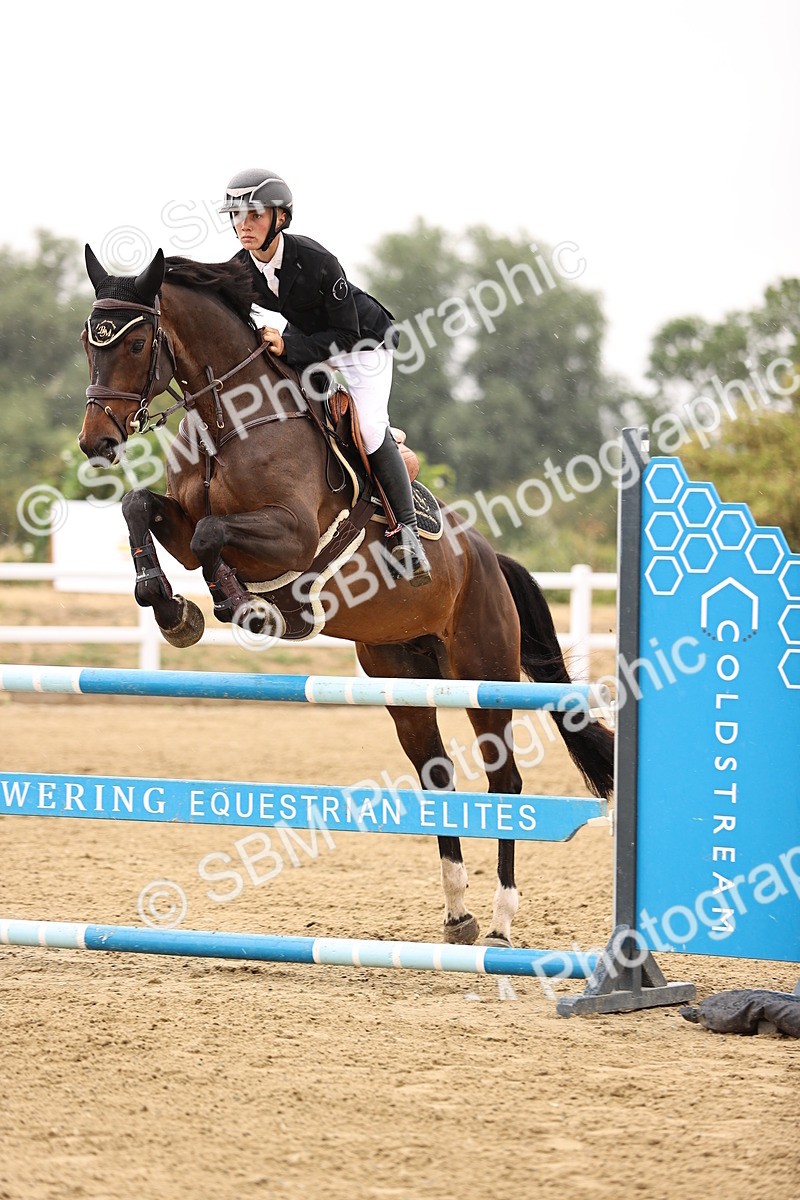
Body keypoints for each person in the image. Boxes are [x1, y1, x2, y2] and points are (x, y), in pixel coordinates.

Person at [219, 168, 432, 587]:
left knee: (370, 426)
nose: (243, 224)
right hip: (313, 339)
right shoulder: (241, 266)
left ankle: (407, 533)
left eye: (255, 215)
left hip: (363, 344)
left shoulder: (317, 261)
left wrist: (291, 347)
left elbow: (346, 335)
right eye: (236, 215)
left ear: (280, 219)